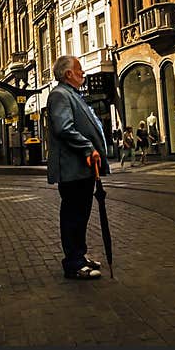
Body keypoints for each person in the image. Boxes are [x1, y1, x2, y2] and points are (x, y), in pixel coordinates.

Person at [47, 55, 108, 280]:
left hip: (82, 169)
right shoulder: (60, 95)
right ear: (68, 74)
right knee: (73, 215)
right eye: (79, 69)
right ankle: (73, 263)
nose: (83, 72)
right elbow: (64, 128)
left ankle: (79, 255)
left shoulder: (71, 94)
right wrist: (87, 148)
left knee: (81, 215)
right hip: (73, 168)